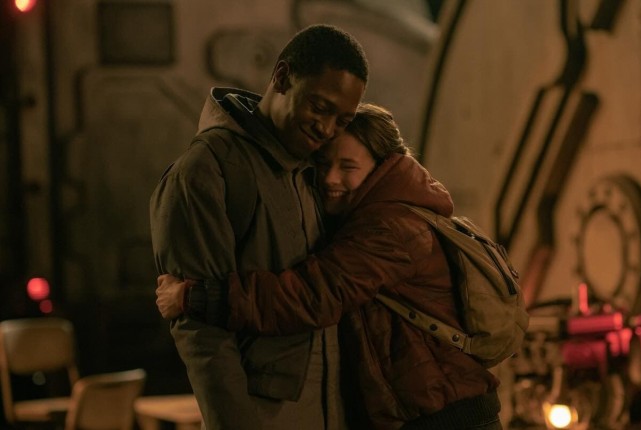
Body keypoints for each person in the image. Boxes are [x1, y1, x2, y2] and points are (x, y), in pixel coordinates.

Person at [156, 103, 503, 430]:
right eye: (323, 165)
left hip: (446, 419)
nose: (330, 179)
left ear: (385, 165)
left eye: (348, 167)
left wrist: (195, 297)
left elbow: (311, 296)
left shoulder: (390, 228)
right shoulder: (383, 215)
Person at [149, 24, 369, 430]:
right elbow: (203, 337)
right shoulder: (206, 171)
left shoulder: (311, 168)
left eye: (342, 120)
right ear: (282, 77)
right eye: (319, 107)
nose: (326, 129)